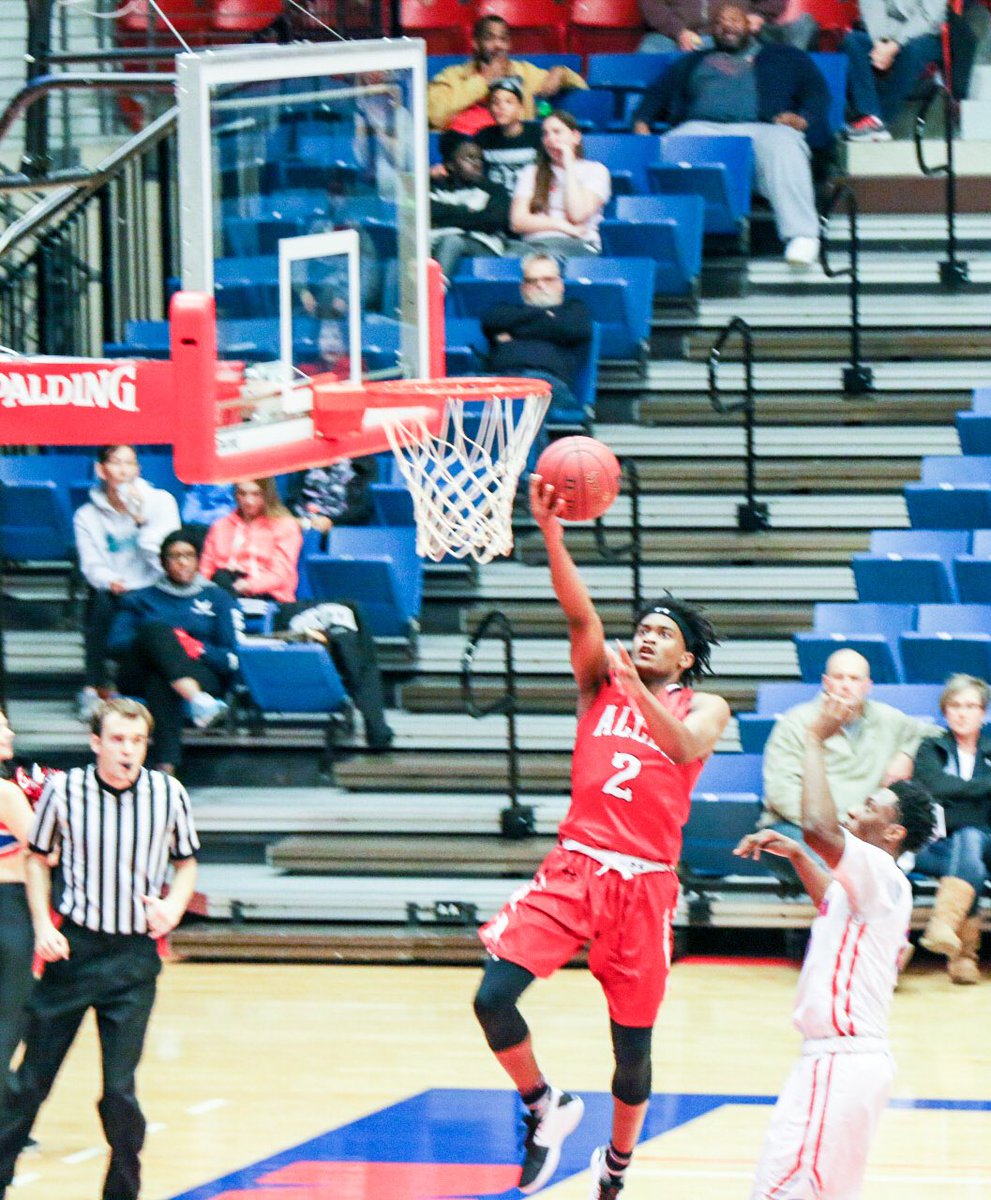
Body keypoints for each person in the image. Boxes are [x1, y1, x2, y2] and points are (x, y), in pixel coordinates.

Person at [473, 473, 730, 1198]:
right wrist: (551, 534)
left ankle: (614, 1166)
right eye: (641, 627)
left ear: (683, 658)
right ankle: (542, 1105)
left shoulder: (704, 704)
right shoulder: (599, 684)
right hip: (576, 867)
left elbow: (681, 747)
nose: (644, 635)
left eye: (662, 633)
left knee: (631, 1051)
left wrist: (641, 688)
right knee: (492, 998)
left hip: (644, 883)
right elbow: (578, 613)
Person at [735, 694, 936, 1200]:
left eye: (869, 805)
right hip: (842, 1063)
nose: (854, 808)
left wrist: (811, 740)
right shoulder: (872, 885)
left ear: (893, 831)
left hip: (841, 1062)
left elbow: (820, 827)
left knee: (780, 1191)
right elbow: (831, 895)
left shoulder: (879, 868)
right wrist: (802, 858)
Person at [0, 698, 199, 1200]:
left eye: (136, 741)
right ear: (97, 744)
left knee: (118, 1092)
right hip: (77, 952)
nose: (127, 750)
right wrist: (45, 923)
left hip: (133, 960)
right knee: (29, 1084)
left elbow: (187, 863)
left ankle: (121, 1194)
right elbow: (38, 860)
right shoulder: (65, 792)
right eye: (117, 740)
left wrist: (173, 907)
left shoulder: (168, 794)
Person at [632, 2, 831, 268]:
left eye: (734, 20)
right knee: (668, 148)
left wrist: (803, 119)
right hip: (702, 127)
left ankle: (803, 236)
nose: (727, 26)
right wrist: (641, 122)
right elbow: (657, 94)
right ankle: (664, 240)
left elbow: (817, 92)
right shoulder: (692, 61)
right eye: (720, 23)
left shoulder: (784, 55)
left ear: (750, 24)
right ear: (712, 31)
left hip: (765, 127)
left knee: (786, 146)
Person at [201, 479, 394, 750]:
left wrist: (244, 584)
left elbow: (280, 575)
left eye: (255, 494)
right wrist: (227, 586)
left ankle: (372, 716)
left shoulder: (284, 525)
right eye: (242, 493)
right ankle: (371, 715)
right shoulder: (220, 528)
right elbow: (205, 574)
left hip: (274, 606)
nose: (247, 500)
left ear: (267, 495)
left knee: (347, 616)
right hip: (224, 604)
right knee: (346, 619)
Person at [759, 647, 940, 887]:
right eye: (838, 677)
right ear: (825, 682)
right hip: (801, 828)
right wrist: (836, 825)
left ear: (867, 685)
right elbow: (781, 792)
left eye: (854, 679)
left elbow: (936, 735)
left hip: (864, 833)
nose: (846, 685)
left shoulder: (888, 719)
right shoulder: (795, 723)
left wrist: (906, 754)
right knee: (835, 865)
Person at [108, 531, 242, 774]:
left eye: (188, 555)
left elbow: (231, 657)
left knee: (161, 680)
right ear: (162, 562)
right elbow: (116, 644)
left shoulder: (218, 598)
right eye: (174, 556)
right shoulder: (141, 598)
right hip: (137, 670)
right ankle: (198, 702)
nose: (182, 562)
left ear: (198, 560)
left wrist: (196, 648)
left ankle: (165, 769)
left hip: (200, 672)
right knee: (156, 630)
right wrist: (165, 642)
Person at [73, 445, 181, 723]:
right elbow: (91, 565)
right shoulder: (86, 515)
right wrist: (110, 581)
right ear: (101, 470)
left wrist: (141, 521)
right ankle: (93, 688)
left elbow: (168, 560)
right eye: (117, 463)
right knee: (99, 603)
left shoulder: (161, 502)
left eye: (130, 464)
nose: (124, 471)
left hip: (156, 586)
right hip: (116, 589)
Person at [912, 674, 991, 984]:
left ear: (983, 713)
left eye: (971, 706)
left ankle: (948, 932)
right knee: (967, 846)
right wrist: (982, 790)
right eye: (955, 705)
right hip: (937, 846)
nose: (962, 712)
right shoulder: (930, 747)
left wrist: (957, 796)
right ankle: (963, 956)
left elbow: (948, 792)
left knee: (970, 837)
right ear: (945, 711)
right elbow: (934, 786)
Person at [428, 16, 587, 134]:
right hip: (464, 154)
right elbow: (433, 114)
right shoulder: (452, 76)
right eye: (490, 38)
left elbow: (582, 86)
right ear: (475, 43)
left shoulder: (523, 72)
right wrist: (483, 81)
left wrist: (561, 72)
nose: (498, 45)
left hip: (512, 149)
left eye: (503, 39)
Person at [481, 252, 592, 419]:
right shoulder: (505, 310)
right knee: (459, 391)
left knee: (525, 402)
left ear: (560, 284)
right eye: (533, 281)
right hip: (501, 379)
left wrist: (515, 330)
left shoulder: (574, 309)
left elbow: (575, 329)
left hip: (547, 384)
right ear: (523, 287)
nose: (540, 285)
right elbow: (491, 321)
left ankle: (531, 447)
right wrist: (547, 320)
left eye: (548, 279)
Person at [510, 111, 611, 258]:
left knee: (549, 259)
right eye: (545, 134)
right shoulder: (531, 172)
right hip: (533, 245)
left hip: (578, 244)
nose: (550, 139)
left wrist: (569, 165)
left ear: (575, 137)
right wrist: (564, 226)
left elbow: (577, 214)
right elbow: (517, 221)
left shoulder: (596, 170)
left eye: (557, 132)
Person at [839, 0, 943, 141]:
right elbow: (872, 7)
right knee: (853, 42)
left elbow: (929, 16)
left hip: (924, 34)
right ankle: (869, 115)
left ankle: (881, 119)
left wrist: (896, 43)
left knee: (913, 52)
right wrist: (880, 43)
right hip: (884, 32)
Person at [0, 710, 38, 1083]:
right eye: (1, 726)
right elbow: (46, 851)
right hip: (7, 907)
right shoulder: (7, 793)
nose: (9, 731)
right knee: (12, 1014)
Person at [430, 135, 510, 281]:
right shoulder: (436, 188)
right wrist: (468, 213)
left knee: (452, 241)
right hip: (433, 242)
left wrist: (445, 216)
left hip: (482, 246)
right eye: (469, 158)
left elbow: (493, 221)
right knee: (398, 257)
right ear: (450, 165)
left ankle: (433, 296)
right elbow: (429, 213)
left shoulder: (495, 190)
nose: (477, 164)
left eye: (479, 159)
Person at [638, 0, 817, 53]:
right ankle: (636, 129)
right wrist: (679, 31)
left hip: (737, 34)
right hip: (678, 36)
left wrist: (758, 16)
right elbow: (651, 5)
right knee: (650, 49)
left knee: (802, 28)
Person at [474, 77, 544, 202]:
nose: (501, 107)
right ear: (489, 108)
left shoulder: (537, 133)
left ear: (521, 107)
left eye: (509, 102)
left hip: (530, 201)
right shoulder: (483, 136)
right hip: (494, 204)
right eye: (495, 102)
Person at [286, 458, 376, 535]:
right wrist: (296, 520)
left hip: (341, 528)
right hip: (299, 521)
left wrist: (332, 521)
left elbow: (362, 506)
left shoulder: (362, 461)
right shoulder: (306, 455)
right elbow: (292, 495)